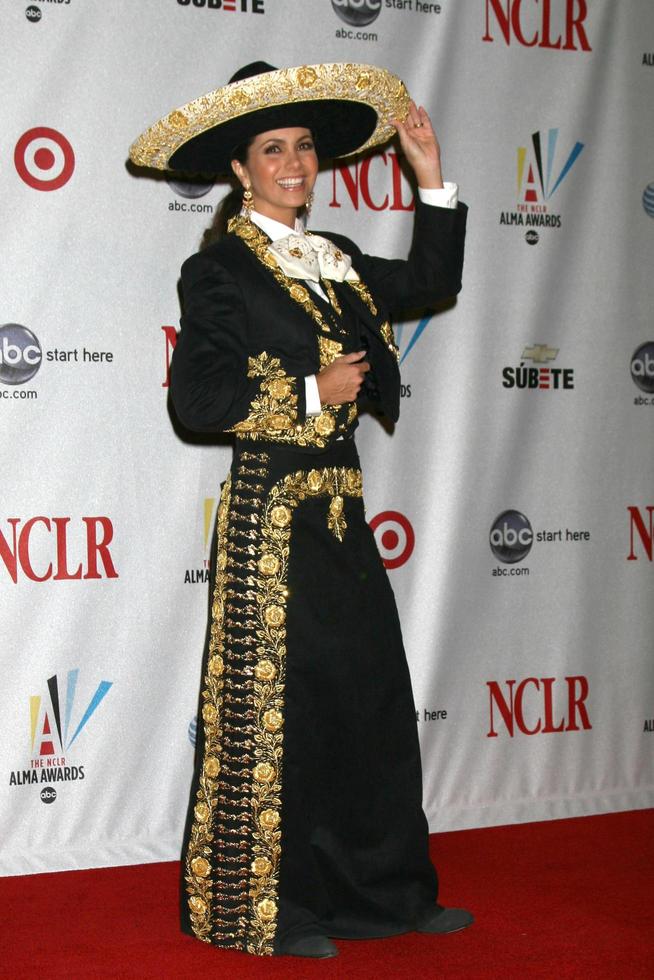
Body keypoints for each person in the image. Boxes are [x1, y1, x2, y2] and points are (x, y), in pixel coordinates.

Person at [130, 61, 470, 960]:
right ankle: (271, 911)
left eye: (305, 146)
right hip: (269, 525)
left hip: (342, 519)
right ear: (240, 170)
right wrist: (310, 392)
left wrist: (430, 175)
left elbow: (433, 280)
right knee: (282, 717)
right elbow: (196, 402)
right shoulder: (218, 270)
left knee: (371, 703)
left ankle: (389, 895)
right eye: (273, 148)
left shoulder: (338, 260)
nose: (294, 162)